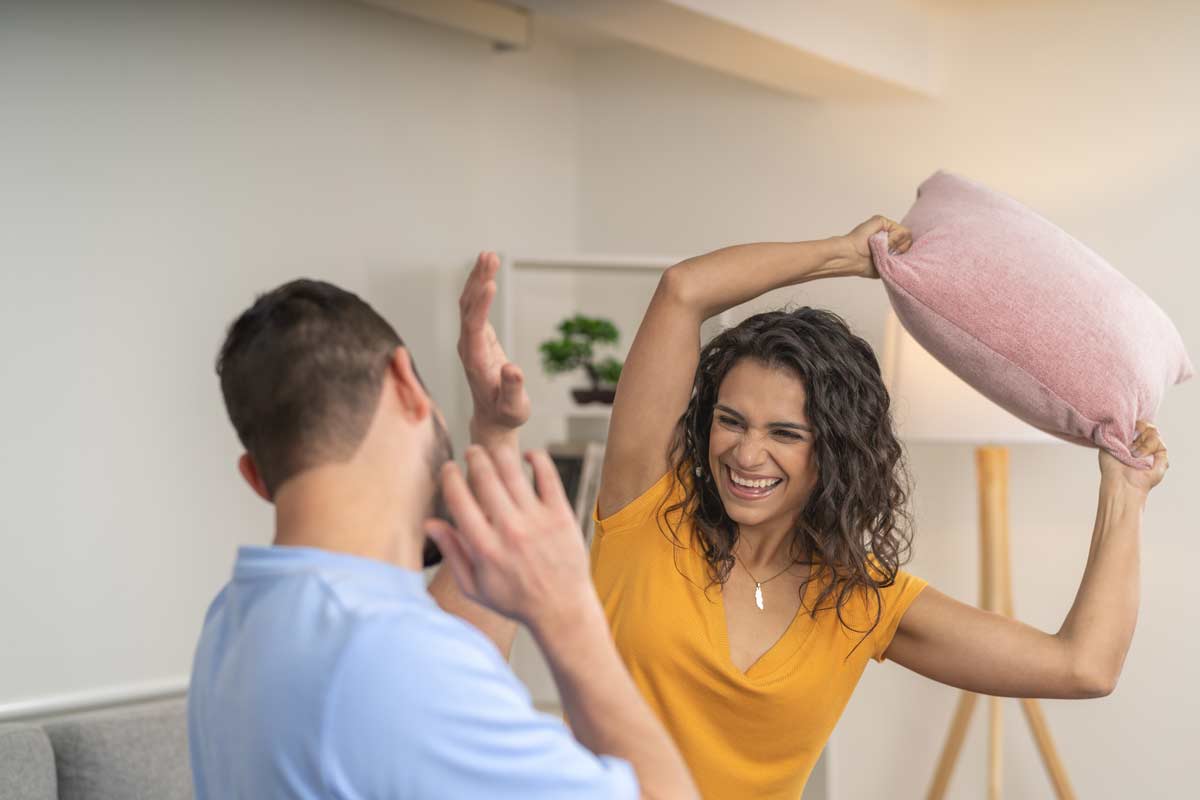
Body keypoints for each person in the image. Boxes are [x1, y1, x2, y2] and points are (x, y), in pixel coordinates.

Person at [483, 215, 1164, 799]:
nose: (747, 455)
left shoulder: (861, 601)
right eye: (731, 421)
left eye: (785, 433)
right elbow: (682, 291)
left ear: (833, 452)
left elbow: (1083, 666)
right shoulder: (645, 507)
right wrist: (843, 255)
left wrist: (1123, 493)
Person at [187, 255, 699, 799]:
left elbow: (453, 650)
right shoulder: (390, 659)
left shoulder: (238, 617)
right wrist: (571, 615)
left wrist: (495, 432)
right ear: (405, 381)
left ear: (255, 477)